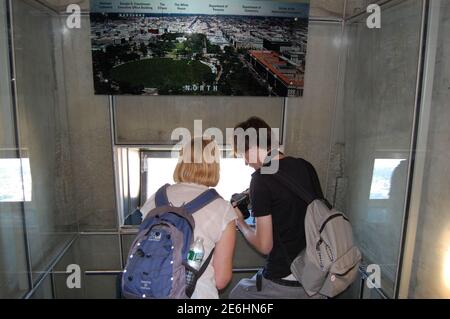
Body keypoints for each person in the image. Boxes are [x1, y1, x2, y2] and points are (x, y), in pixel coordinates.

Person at [229, 117, 325, 299]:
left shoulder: (261, 179)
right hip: (316, 272)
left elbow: (265, 246)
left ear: (252, 148)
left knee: (237, 295)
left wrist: (240, 223)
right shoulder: (306, 166)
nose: (245, 162)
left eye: (243, 154)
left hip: (287, 276)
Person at [141, 137, 237, 299]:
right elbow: (221, 280)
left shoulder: (155, 198)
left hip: (151, 290)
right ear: (214, 166)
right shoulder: (223, 209)